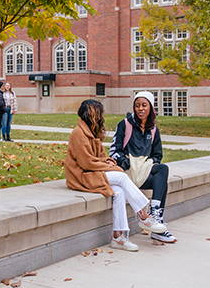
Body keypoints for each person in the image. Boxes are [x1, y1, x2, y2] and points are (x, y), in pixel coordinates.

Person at [64, 99, 168, 251]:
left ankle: (118, 237)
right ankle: (144, 215)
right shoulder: (78, 133)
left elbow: (99, 157)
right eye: (99, 113)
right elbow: (86, 163)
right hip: (81, 176)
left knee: (119, 192)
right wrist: (110, 167)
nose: (101, 117)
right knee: (121, 176)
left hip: (93, 172)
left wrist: (109, 161)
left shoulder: (92, 133)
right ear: (91, 115)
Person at [109, 91, 176, 243]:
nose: (140, 109)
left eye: (144, 105)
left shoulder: (153, 129)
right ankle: (156, 222)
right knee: (162, 174)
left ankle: (155, 219)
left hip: (144, 170)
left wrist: (150, 162)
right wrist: (122, 160)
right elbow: (113, 150)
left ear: (151, 107)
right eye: (137, 105)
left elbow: (157, 155)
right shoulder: (125, 124)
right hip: (127, 171)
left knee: (162, 173)